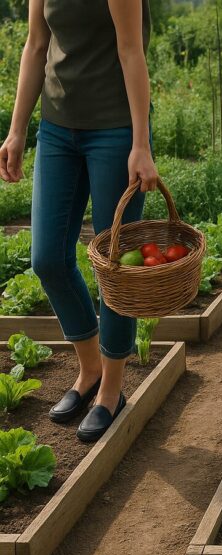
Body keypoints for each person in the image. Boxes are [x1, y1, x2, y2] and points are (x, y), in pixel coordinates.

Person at [0, 0, 157, 441]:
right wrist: (17, 130)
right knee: (47, 258)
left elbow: (131, 51)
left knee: (114, 266)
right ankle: (89, 369)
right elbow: (35, 45)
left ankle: (111, 388)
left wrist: (140, 143)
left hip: (113, 130)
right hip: (56, 130)